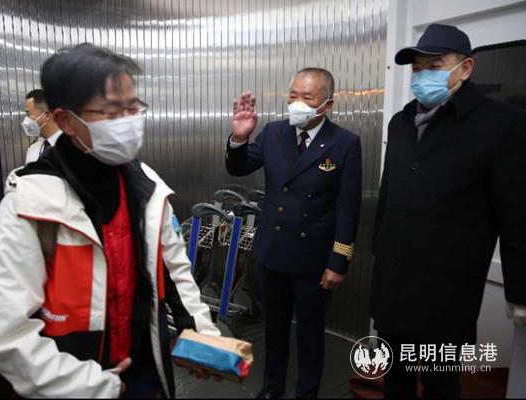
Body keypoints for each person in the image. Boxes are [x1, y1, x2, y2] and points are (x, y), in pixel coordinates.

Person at [0, 43, 220, 399]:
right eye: (112, 110)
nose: (129, 121)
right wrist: (92, 386)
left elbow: (174, 270)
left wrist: (200, 334)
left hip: (142, 376)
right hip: (64, 387)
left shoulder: (146, 188)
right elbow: (2, 330)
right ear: (66, 120)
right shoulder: (30, 203)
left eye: (133, 107)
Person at [371, 23, 526, 398]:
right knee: (396, 381)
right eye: (417, 68)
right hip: (394, 286)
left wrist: (519, 289)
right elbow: (389, 195)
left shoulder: (501, 124)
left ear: (466, 68)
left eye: (435, 66)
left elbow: (516, 214)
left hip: (446, 292)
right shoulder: (402, 122)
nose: (423, 76)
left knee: (440, 384)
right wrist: (378, 258)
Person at [225, 68, 362, 398]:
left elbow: (348, 209)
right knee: (273, 330)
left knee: (310, 335)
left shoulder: (345, 143)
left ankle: (307, 393)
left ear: (327, 105)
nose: (297, 103)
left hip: (314, 259)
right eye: (293, 96)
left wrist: (338, 262)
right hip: (272, 252)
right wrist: (239, 139)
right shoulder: (274, 132)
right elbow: (239, 167)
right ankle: (272, 389)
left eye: (307, 97)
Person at [22, 89, 62, 163]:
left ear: (46, 115)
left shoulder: (73, 148)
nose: (26, 120)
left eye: (28, 114)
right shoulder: (32, 150)